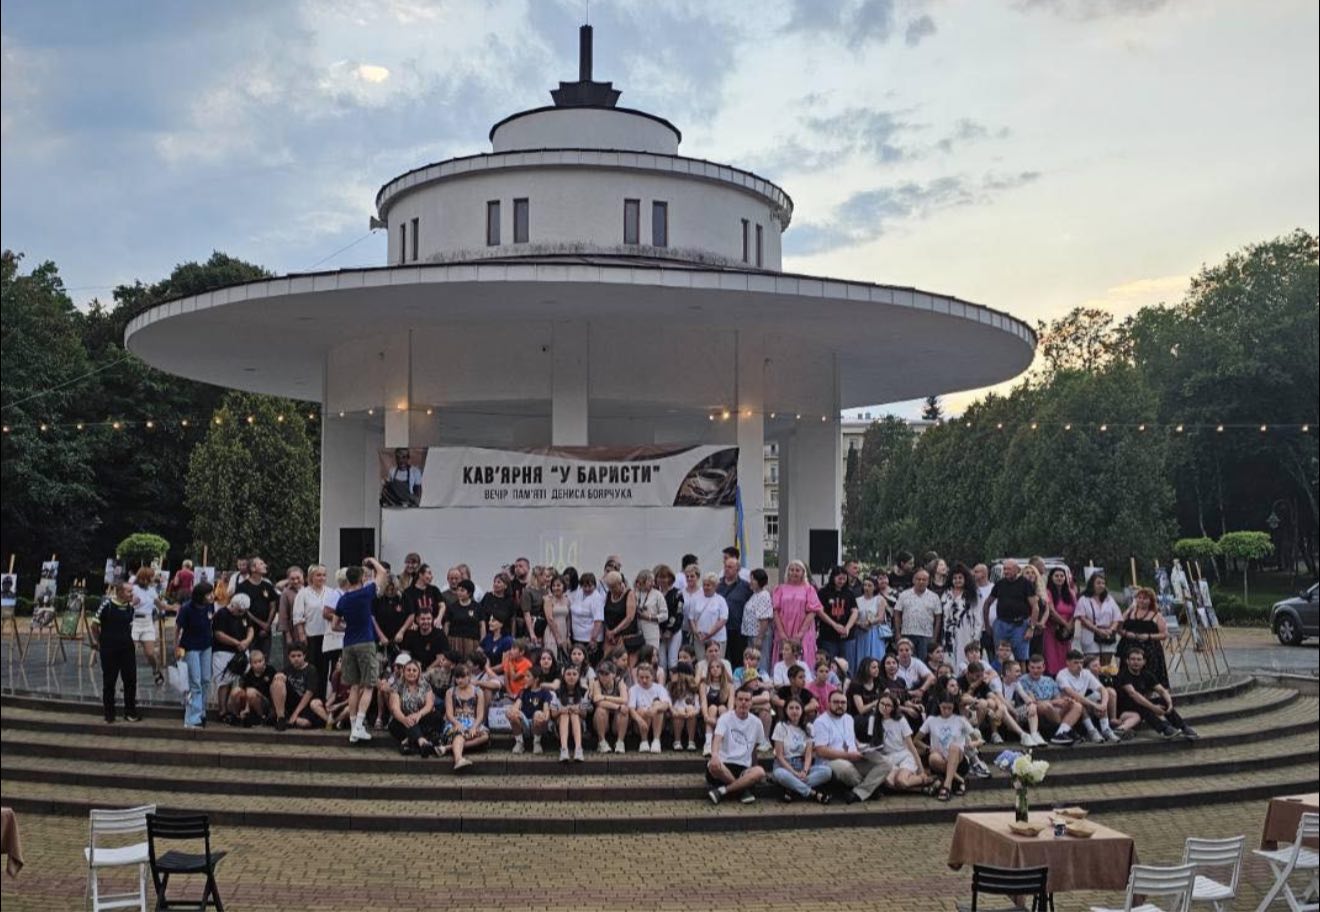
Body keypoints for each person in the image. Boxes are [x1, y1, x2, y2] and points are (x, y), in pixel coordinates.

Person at [337, 558, 388, 744]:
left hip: (348, 643)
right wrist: (372, 560)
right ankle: (359, 725)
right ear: (361, 578)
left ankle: (353, 728)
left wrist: (349, 627)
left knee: (353, 686)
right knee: (368, 685)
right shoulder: (366, 592)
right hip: (365, 642)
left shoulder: (343, 599)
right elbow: (383, 573)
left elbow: (334, 624)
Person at [813, 689, 891, 804]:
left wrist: (863, 747)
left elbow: (852, 740)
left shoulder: (849, 718)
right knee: (847, 769)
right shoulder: (821, 722)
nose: (840, 705)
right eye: (836, 702)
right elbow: (821, 751)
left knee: (886, 763)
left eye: (843, 702)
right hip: (831, 760)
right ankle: (870, 790)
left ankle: (858, 792)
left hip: (854, 756)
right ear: (829, 703)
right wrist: (848, 755)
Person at [1114, 647, 1198, 739]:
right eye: (1133, 659)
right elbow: (1133, 694)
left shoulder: (1147, 674)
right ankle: (1164, 730)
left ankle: (1183, 727)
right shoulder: (1123, 675)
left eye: (1139, 659)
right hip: (1124, 709)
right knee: (1144, 706)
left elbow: (1162, 690)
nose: (1136, 662)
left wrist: (1169, 703)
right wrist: (1153, 707)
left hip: (1139, 706)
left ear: (1144, 662)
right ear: (1127, 661)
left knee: (1163, 702)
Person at [705, 687, 770, 805]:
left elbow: (753, 749)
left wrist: (754, 767)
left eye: (747, 700)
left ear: (751, 702)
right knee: (713, 765)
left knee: (760, 772)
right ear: (735, 700)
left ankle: (724, 790)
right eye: (740, 699)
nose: (743, 702)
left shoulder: (757, 723)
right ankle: (742, 790)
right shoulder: (725, 718)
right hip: (724, 765)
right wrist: (714, 755)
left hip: (743, 768)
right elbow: (717, 739)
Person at [91, 578, 141, 724]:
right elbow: (94, 625)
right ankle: (109, 714)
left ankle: (130, 712)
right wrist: (99, 641)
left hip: (127, 648)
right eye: (129, 591)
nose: (131, 594)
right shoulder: (107, 605)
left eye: (132, 591)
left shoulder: (130, 608)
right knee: (109, 681)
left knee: (130, 680)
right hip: (109, 648)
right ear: (119, 592)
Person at [770, 696, 832, 804]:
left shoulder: (809, 727)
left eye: (797, 708)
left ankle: (792, 787)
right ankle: (813, 793)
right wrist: (793, 772)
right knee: (780, 774)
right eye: (791, 708)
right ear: (786, 710)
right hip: (784, 766)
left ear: (802, 710)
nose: (794, 711)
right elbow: (779, 756)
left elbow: (808, 754)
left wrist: (804, 771)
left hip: (802, 765)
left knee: (827, 772)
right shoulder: (780, 726)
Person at [916, 693, 977, 801]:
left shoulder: (960, 720)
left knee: (953, 747)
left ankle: (947, 786)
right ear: (939, 705)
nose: (947, 711)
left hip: (958, 759)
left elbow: (977, 738)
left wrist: (971, 744)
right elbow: (916, 740)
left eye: (950, 708)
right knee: (933, 757)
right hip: (939, 760)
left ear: (953, 707)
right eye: (944, 708)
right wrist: (928, 748)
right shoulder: (931, 720)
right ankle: (959, 780)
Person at [174, 580, 215, 728]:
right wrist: (176, 647)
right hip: (190, 646)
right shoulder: (187, 608)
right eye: (208, 594)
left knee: (205, 679)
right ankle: (192, 717)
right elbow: (178, 628)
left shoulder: (210, 606)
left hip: (206, 645)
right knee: (195, 681)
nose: (211, 596)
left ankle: (202, 711)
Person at [1019, 654, 1086, 744]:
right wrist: (1054, 702)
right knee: (1046, 706)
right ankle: (1065, 730)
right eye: (1032, 668)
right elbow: (1033, 702)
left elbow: (1058, 699)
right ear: (1028, 667)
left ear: (1043, 667)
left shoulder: (1049, 680)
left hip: (1054, 710)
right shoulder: (1023, 680)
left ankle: (1060, 733)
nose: (1035, 670)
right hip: (1036, 711)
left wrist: (1065, 701)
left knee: (1077, 705)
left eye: (1038, 668)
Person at [1056, 649, 1120, 743]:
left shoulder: (1086, 673)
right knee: (1078, 701)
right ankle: (1091, 731)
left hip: (1082, 703)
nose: (1079, 665)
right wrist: (1095, 705)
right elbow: (1073, 694)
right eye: (1076, 662)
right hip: (1067, 706)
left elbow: (1102, 689)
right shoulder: (1062, 675)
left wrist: (1103, 704)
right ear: (1068, 663)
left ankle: (1106, 729)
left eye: (1081, 663)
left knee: (1108, 692)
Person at [982, 560, 1040, 662]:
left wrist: (1031, 628)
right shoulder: (1000, 584)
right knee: (1000, 656)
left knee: (1021, 658)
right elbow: (987, 604)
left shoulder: (1026, 584)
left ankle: (1020, 673)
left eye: (1009, 569)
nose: (1006, 571)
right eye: (1004, 569)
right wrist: (987, 625)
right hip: (1001, 624)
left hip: (1020, 625)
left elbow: (1035, 607)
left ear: (1017, 570)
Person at [772, 559, 825, 667]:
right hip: (784, 629)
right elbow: (775, 611)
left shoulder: (809, 589)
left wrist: (800, 634)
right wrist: (782, 633)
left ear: (803, 573)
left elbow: (812, 612)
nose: (794, 573)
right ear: (788, 572)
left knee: (802, 657)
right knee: (784, 657)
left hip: (803, 631)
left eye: (797, 570)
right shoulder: (780, 589)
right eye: (791, 570)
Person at [212, 593, 255, 723]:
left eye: (243, 611)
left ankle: (239, 709)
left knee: (243, 679)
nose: (241, 613)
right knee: (224, 682)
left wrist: (247, 641)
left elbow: (250, 628)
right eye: (239, 611)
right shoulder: (221, 614)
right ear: (233, 605)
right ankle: (223, 711)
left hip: (242, 650)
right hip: (224, 651)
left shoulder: (244, 614)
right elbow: (218, 634)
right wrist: (236, 643)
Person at [875, 693, 930, 792]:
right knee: (889, 782)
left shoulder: (900, 720)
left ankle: (924, 779)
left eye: (888, 705)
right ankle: (920, 788)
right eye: (882, 703)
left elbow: (911, 746)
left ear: (893, 708)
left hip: (904, 756)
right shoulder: (874, 720)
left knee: (901, 781)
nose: (884, 707)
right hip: (888, 758)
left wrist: (921, 769)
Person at [1118, 587, 1170, 688]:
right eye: (1139, 598)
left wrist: (1148, 636)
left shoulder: (1157, 615)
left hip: (1149, 651)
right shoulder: (1130, 613)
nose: (1141, 601)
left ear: (1151, 601)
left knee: (1148, 680)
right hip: (1130, 649)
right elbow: (1119, 625)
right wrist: (1126, 633)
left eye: (1145, 598)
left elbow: (1164, 634)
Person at [388, 658, 440, 756]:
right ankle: (422, 742)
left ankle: (407, 742)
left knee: (436, 716)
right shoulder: (397, 686)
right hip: (402, 720)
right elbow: (395, 708)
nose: (411, 672)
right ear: (404, 672)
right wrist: (404, 719)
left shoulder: (425, 685)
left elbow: (429, 705)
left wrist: (419, 715)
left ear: (419, 672)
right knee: (394, 725)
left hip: (421, 717)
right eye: (408, 670)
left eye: (414, 670)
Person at [441, 662, 488, 770]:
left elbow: (480, 714)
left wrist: (474, 727)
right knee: (459, 734)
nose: (460, 680)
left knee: (485, 736)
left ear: (469, 676)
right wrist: (456, 723)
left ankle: (447, 748)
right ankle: (458, 759)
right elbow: (449, 713)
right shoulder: (450, 692)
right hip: (455, 721)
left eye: (462, 677)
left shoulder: (478, 692)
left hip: (472, 721)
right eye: (457, 677)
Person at [129, 566, 168, 686]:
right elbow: (125, 603)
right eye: (151, 577)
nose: (152, 579)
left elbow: (160, 605)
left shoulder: (152, 590)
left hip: (147, 622)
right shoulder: (133, 589)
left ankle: (156, 670)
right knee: (130, 652)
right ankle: (128, 679)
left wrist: (172, 607)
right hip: (135, 621)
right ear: (144, 578)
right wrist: (132, 603)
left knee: (150, 653)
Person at [893, 568, 942, 662]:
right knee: (907, 661)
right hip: (907, 633)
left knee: (924, 662)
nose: (921, 582)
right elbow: (897, 613)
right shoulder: (904, 595)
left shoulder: (934, 597)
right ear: (913, 580)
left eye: (924, 579)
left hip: (926, 635)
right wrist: (898, 633)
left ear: (928, 581)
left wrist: (934, 637)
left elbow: (938, 618)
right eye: (918, 579)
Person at [229, 648, 287, 727]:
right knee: (236, 691)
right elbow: (245, 692)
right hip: (251, 701)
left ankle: (262, 717)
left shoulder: (270, 670)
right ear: (251, 664)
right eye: (255, 662)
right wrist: (246, 709)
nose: (258, 664)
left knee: (251, 692)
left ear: (264, 660)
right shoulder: (248, 675)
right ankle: (237, 717)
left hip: (267, 702)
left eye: (260, 661)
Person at [234, 558, 279, 659]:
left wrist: (267, 625)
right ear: (253, 568)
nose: (265, 565)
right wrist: (261, 624)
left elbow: (273, 605)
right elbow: (243, 609)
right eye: (261, 564)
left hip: (265, 631)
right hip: (248, 630)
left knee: (264, 658)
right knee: (250, 658)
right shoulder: (242, 587)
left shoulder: (268, 586)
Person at [1075, 572, 1123, 663]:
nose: (1101, 585)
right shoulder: (1084, 599)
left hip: (1107, 634)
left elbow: (1117, 617)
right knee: (1093, 661)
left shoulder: (1109, 599)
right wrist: (1097, 630)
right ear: (1092, 584)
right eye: (1098, 583)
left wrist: (1111, 630)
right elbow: (1082, 618)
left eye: (1103, 583)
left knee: (1106, 662)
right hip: (1090, 633)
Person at [816, 565, 859, 664]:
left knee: (847, 664)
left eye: (844, 579)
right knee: (828, 663)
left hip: (847, 637)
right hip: (828, 636)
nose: (842, 581)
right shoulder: (823, 592)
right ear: (833, 577)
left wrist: (847, 628)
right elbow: (820, 611)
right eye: (839, 578)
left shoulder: (849, 593)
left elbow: (855, 611)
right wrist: (834, 625)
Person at [507, 668, 555, 754]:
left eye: (528, 676)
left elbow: (546, 710)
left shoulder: (545, 693)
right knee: (511, 712)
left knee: (538, 713)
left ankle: (537, 742)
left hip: (538, 724)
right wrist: (513, 712)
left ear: (536, 679)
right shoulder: (523, 692)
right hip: (525, 723)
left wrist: (544, 719)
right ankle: (519, 742)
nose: (525, 678)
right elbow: (516, 705)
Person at [716, 555, 753, 666]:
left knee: (738, 660)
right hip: (720, 629)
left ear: (738, 569)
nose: (727, 569)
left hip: (738, 630)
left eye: (730, 567)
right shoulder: (717, 585)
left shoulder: (746, 587)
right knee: (721, 661)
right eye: (725, 566)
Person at [626, 662, 671, 753]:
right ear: (637, 677)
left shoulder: (659, 688)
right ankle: (644, 741)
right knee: (641, 710)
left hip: (657, 721)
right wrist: (640, 720)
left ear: (652, 677)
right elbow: (631, 709)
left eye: (647, 677)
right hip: (640, 723)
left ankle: (656, 741)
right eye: (641, 677)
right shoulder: (633, 689)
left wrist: (655, 708)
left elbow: (666, 704)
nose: (644, 680)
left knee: (658, 705)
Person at [941, 564, 980, 668]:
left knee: (964, 657)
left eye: (960, 578)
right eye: (954, 578)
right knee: (949, 659)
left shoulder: (972, 594)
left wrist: (976, 637)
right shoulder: (946, 594)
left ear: (965, 579)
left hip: (966, 631)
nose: (957, 580)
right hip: (948, 632)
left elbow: (978, 617)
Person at [282, 642, 328, 729]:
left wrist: (295, 714)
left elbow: (308, 694)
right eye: (293, 656)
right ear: (289, 657)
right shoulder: (286, 670)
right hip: (292, 704)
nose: (296, 659)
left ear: (304, 656)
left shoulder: (311, 670)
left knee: (304, 723)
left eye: (299, 656)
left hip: (307, 705)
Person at [600, 570, 642, 665]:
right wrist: (608, 632)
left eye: (613, 587)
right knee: (607, 662)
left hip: (626, 636)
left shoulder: (630, 594)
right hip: (610, 638)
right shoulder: (609, 594)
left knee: (624, 663)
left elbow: (629, 618)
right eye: (609, 587)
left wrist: (614, 631)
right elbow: (605, 614)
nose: (611, 590)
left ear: (620, 583)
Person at [1042, 567, 1077, 674]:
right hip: (1052, 629)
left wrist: (1070, 625)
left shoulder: (1071, 593)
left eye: (1062, 576)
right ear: (1051, 578)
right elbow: (1051, 611)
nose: (1059, 578)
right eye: (1056, 576)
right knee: (1051, 656)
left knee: (1065, 656)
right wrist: (1065, 624)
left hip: (1066, 631)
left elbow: (1076, 610)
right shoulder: (1047, 592)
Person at [590, 661, 630, 753]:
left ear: (613, 674)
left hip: (616, 721)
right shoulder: (596, 683)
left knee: (624, 710)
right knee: (600, 710)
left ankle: (620, 742)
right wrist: (617, 706)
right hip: (602, 721)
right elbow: (598, 701)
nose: (603, 676)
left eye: (606, 674)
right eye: (601, 673)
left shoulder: (619, 682)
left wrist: (604, 697)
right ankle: (602, 742)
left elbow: (624, 699)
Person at [553, 663, 591, 762]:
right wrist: (561, 710)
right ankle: (564, 749)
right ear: (564, 676)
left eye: (574, 674)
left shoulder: (583, 692)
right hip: (560, 725)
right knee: (564, 714)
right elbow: (553, 714)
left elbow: (584, 714)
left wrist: (578, 710)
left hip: (578, 725)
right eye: (568, 674)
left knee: (574, 714)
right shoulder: (557, 692)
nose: (571, 677)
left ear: (578, 677)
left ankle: (578, 749)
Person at [688, 572, 730, 659]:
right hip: (699, 639)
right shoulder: (695, 598)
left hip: (717, 638)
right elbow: (691, 618)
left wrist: (709, 634)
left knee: (717, 663)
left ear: (715, 586)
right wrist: (696, 632)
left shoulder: (721, 600)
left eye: (708, 585)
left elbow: (723, 620)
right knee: (701, 662)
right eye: (704, 585)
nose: (705, 587)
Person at [849, 577, 887, 673]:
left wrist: (870, 622)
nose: (866, 587)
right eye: (865, 585)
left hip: (874, 633)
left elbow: (881, 617)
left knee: (874, 656)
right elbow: (853, 617)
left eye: (869, 585)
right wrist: (859, 624)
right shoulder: (857, 600)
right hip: (860, 632)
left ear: (875, 587)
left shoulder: (879, 599)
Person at [699, 656, 733, 756]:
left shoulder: (729, 686)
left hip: (724, 716)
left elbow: (731, 705)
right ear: (709, 670)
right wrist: (706, 716)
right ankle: (708, 744)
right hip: (710, 716)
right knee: (712, 708)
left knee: (722, 708)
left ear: (722, 669)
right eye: (712, 667)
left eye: (718, 667)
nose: (715, 669)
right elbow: (703, 702)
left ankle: (722, 743)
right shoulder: (704, 685)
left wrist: (726, 719)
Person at [847, 656, 884, 744]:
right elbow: (861, 710)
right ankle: (870, 742)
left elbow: (886, 694)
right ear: (866, 669)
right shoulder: (856, 685)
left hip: (873, 714)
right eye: (874, 667)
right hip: (858, 717)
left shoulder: (878, 682)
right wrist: (876, 702)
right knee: (873, 719)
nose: (877, 669)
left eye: (877, 667)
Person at [654, 564, 685, 670]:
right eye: (659, 577)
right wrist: (658, 630)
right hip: (659, 632)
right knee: (661, 661)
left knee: (672, 660)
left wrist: (670, 631)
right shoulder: (655, 594)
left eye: (664, 577)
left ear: (670, 578)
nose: (661, 580)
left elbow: (678, 613)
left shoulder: (677, 593)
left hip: (674, 631)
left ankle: (674, 680)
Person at [444, 580, 484, 660]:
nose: (459, 592)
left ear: (469, 593)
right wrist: (446, 640)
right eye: (458, 590)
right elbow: (447, 625)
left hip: (473, 642)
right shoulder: (452, 607)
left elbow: (482, 626)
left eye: (462, 590)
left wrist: (482, 642)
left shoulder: (477, 607)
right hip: (455, 641)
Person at [568, 572, 604, 659]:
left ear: (594, 585)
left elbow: (598, 621)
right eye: (584, 586)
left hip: (590, 639)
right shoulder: (579, 593)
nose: (587, 589)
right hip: (577, 636)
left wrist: (593, 639)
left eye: (590, 586)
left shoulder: (597, 598)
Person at [666, 661, 700, 751]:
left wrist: (693, 712)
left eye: (675, 673)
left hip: (690, 714)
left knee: (690, 708)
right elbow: (668, 702)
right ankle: (677, 741)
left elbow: (698, 706)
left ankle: (691, 741)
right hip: (675, 714)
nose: (671, 674)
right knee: (680, 710)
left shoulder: (693, 690)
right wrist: (674, 711)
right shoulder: (670, 687)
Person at [633, 568, 668, 655]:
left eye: (653, 581)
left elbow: (665, 615)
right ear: (642, 581)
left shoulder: (657, 595)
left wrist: (649, 617)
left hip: (651, 632)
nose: (653, 584)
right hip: (637, 631)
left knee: (651, 655)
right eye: (650, 581)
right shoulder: (635, 593)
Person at [542, 574, 572, 659]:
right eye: (553, 586)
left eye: (558, 585)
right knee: (552, 655)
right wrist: (557, 637)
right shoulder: (548, 600)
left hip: (564, 630)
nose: (556, 588)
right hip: (552, 632)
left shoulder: (567, 600)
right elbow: (550, 619)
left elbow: (568, 619)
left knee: (563, 657)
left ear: (563, 586)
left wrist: (568, 636)